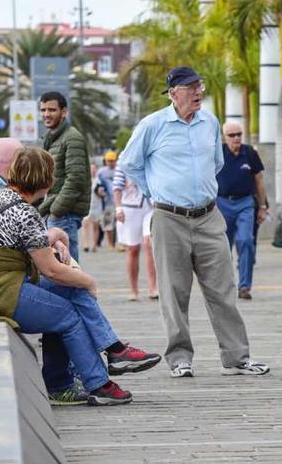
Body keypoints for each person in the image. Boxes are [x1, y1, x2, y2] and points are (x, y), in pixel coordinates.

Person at [0, 147, 161, 406]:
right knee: (67, 314)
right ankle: (97, 383)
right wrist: (90, 281)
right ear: (47, 181)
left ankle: (113, 351)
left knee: (73, 293)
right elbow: (51, 270)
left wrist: (57, 247)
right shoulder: (24, 213)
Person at [118, 65, 269, 379]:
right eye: (190, 87)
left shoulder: (210, 122)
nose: (198, 92)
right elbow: (129, 163)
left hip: (208, 216)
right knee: (174, 292)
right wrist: (155, 192)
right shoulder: (152, 125)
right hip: (168, 217)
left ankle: (237, 358)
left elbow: (215, 163)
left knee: (223, 288)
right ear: (174, 93)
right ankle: (180, 359)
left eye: (199, 85)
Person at [216, 121, 268, 300]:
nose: (236, 138)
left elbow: (259, 181)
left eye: (239, 134)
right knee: (223, 247)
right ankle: (224, 286)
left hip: (245, 203)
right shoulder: (218, 153)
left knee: (246, 240)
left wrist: (262, 206)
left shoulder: (250, 153)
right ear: (224, 137)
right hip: (222, 203)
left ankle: (244, 286)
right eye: (232, 135)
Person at [37, 91, 91, 262]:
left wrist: (55, 212)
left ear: (64, 112)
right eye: (43, 110)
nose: (46, 114)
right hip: (56, 213)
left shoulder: (72, 138)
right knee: (59, 270)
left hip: (63, 216)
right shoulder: (52, 138)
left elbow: (76, 180)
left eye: (52, 110)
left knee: (67, 271)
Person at [113, 167, 158, 301]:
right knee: (133, 249)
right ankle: (134, 289)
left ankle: (153, 287)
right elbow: (117, 187)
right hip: (130, 208)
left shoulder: (151, 156)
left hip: (150, 207)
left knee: (149, 244)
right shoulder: (124, 159)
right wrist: (118, 208)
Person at [96, 151, 119, 249]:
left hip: (120, 201)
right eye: (109, 161)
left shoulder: (119, 170)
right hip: (108, 201)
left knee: (119, 225)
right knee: (108, 224)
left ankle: (119, 243)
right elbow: (97, 185)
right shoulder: (101, 172)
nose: (111, 163)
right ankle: (110, 244)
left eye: (112, 160)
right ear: (105, 161)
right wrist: (99, 191)